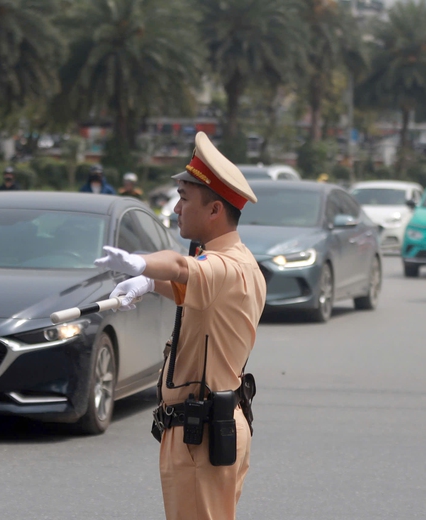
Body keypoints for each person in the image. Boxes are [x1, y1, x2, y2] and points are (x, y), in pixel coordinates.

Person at [94, 132, 266, 520]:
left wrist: (139, 264)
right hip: (207, 427)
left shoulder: (224, 266)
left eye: (185, 199)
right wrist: (146, 284)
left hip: (201, 434)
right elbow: (187, 285)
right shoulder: (236, 263)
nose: (175, 209)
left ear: (214, 210)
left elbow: (178, 266)